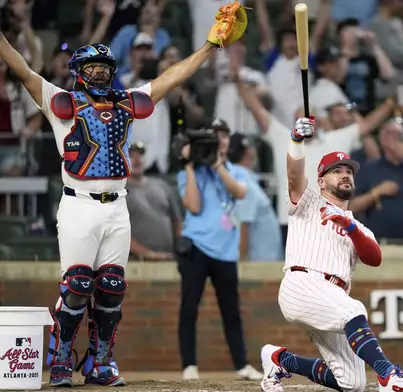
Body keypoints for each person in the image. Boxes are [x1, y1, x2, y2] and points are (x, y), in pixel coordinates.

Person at [0, 15, 232, 387]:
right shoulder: (60, 101)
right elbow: (23, 70)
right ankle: (60, 358)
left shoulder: (126, 103)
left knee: (111, 287)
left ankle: (100, 362)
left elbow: (170, 78)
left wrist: (209, 47)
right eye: (92, 67)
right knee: (76, 286)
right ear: (78, 71)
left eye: (105, 67)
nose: (100, 74)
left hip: (116, 205)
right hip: (79, 204)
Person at [258, 117, 403, 392]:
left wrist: (350, 227)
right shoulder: (308, 201)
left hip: (331, 297)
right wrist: (296, 140)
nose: (344, 174)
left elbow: (374, 258)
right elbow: (294, 174)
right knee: (354, 309)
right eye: (335, 170)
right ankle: (389, 376)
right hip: (301, 283)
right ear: (321, 180)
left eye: (348, 171)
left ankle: (280, 360)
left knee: (352, 383)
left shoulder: (359, 226)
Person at [176, 119, 262, 381]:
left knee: (231, 311)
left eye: (224, 135)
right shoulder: (188, 173)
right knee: (189, 308)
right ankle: (189, 366)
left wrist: (217, 165)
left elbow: (239, 192)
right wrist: (190, 166)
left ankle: (242, 365)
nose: (220, 140)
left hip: (225, 251)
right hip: (196, 248)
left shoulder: (236, 171)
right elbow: (193, 206)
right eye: (215, 135)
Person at [228, 132, 283, 261]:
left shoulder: (237, 179)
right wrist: (241, 264)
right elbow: (242, 224)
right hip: (258, 263)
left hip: (262, 262)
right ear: (248, 151)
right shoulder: (244, 182)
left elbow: (229, 221)